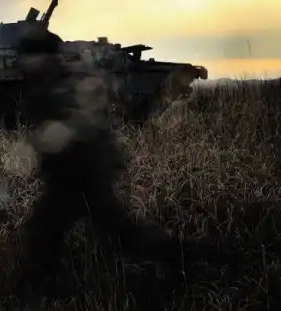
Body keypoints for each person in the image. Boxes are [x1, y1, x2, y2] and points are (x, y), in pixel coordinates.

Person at [15, 28, 188, 295]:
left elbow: (87, 124)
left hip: (84, 172)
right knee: (53, 231)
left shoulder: (61, 83)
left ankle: (178, 254)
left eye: (29, 55)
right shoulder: (46, 80)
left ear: (44, 56)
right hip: (72, 173)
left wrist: (62, 138)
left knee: (110, 232)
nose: (24, 62)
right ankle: (40, 284)